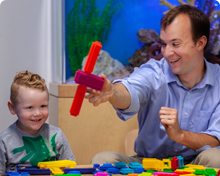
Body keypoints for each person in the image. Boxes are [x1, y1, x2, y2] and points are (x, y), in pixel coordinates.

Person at [85, 4, 220, 167]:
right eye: (164, 44)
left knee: (216, 157)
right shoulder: (153, 71)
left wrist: (180, 135)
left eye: (175, 44)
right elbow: (130, 91)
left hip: (196, 164)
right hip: (147, 164)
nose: (167, 52)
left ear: (200, 43)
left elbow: (214, 141)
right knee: (103, 160)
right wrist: (112, 92)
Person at [0, 71, 75, 176]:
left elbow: (70, 168)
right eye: (30, 107)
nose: (38, 113)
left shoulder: (57, 135)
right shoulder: (4, 141)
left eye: (43, 106)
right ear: (12, 108)